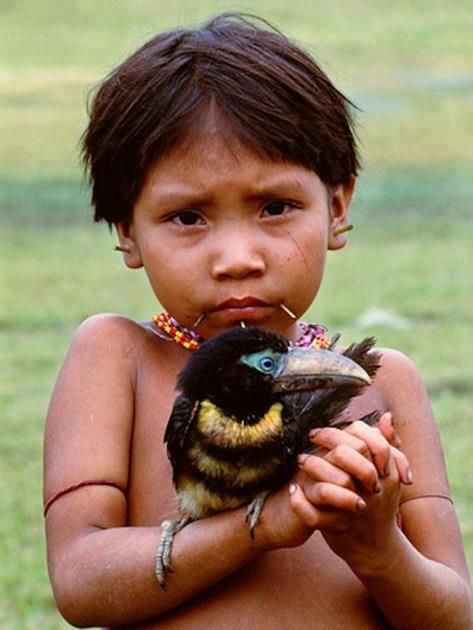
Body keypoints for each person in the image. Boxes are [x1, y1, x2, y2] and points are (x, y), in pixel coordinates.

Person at [43, 12, 473, 629]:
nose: (238, 260)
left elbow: (454, 615)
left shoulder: (377, 384)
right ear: (126, 232)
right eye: (188, 217)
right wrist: (263, 526)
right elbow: (82, 581)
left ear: (338, 207)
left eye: (276, 207)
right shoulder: (117, 358)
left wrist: (381, 550)